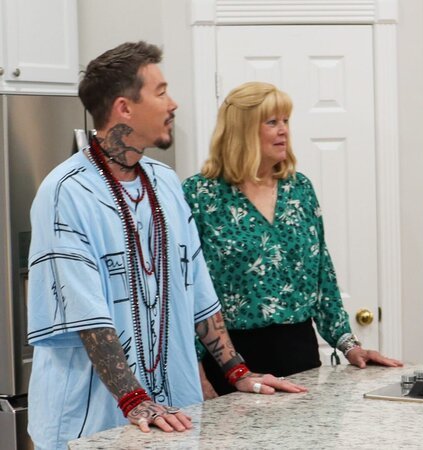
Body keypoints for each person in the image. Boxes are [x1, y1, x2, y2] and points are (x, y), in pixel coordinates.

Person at [26, 42, 305, 449]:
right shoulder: (66, 192)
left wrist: (237, 372)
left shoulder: (165, 183)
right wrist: (135, 400)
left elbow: (199, 292)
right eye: (161, 92)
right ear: (124, 108)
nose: (173, 104)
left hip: (174, 418)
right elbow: (87, 316)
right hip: (93, 424)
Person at [183, 81, 402, 398]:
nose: (283, 130)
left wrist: (349, 344)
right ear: (242, 130)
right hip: (231, 357)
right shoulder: (199, 194)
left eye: (285, 121)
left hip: (298, 351)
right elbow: (186, 289)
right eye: (272, 122)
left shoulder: (299, 189)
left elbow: (322, 274)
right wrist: (198, 374)